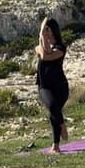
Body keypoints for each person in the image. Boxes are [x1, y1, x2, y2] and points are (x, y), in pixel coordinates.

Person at [35, 17, 69, 153]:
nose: (46, 32)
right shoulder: (39, 47)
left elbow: (48, 56)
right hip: (44, 86)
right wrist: (41, 35)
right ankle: (62, 125)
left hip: (60, 86)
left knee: (54, 113)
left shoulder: (61, 48)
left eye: (48, 30)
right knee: (51, 106)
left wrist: (43, 35)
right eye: (45, 30)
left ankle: (55, 146)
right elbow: (43, 52)